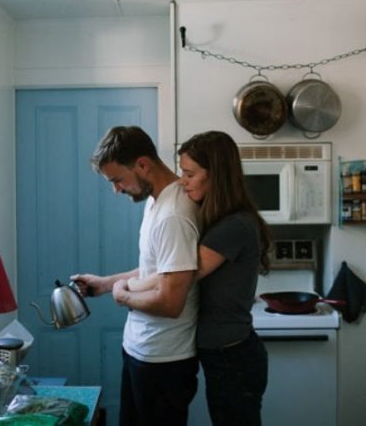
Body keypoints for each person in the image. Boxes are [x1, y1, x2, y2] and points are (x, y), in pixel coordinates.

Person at [128, 130, 271, 426]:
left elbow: (180, 274)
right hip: (222, 355)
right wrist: (109, 284)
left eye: (190, 174)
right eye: (182, 172)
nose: (183, 180)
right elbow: (166, 269)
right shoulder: (216, 219)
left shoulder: (234, 225)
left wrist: (125, 291)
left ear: (215, 175)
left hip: (233, 357)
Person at [70, 125, 201, 426]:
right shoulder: (157, 201)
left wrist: (124, 296)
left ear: (143, 164)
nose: (116, 189)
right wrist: (105, 285)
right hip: (141, 350)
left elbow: (171, 302)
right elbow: (157, 270)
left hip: (164, 361)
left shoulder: (174, 215)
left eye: (117, 180)